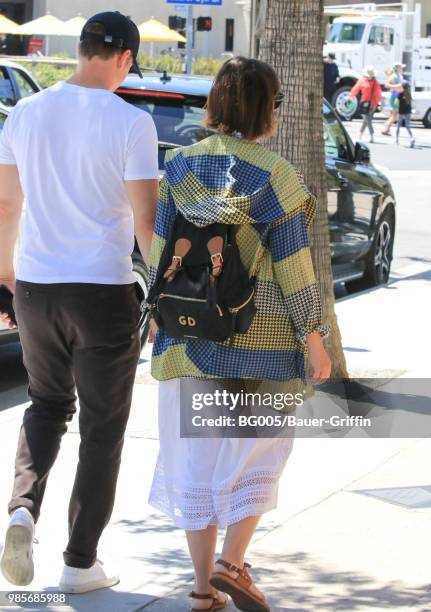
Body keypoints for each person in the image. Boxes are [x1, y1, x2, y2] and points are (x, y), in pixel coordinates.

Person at [146, 57, 331, 612]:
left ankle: (204, 591)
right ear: (264, 111)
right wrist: (314, 336)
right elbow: (295, 268)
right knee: (257, 456)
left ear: (217, 106)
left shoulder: (178, 168)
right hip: (264, 346)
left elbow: (158, 255)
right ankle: (233, 561)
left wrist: (161, 314)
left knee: (195, 465)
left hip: (188, 342)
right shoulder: (276, 176)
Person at [0, 12, 159, 593]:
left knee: (45, 405)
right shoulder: (131, 122)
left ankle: (22, 509)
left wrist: (6, 275)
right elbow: (146, 219)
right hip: (101, 293)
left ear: (83, 49)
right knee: (102, 428)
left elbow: (6, 206)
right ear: (122, 57)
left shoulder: (25, 112)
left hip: (36, 287)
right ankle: (78, 562)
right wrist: (163, 292)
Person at [348, 66, 382, 143]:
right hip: (364, 103)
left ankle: (371, 135)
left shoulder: (375, 83)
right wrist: (350, 96)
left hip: (372, 104)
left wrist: (376, 103)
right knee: (366, 120)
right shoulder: (362, 80)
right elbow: (355, 89)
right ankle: (361, 134)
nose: (368, 76)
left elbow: (378, 94)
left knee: (368, 120)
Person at [382, 62, 405, 136]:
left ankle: (386, 129)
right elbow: (387, 85)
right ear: (398, 68)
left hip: (397, 97)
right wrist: (397, 85)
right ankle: (386, 127)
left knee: (394, 114)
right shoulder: (394, 76)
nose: (402, 69)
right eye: (401, 67)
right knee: (395, 115)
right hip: (395, 97)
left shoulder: (398, 75)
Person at [396, 80, 415, 148]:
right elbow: (411, 103)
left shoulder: (400, 94)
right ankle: (411, 137)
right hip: (408, 112)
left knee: (398, 125)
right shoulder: (409, 94)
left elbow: (396, 102)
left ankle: (397, 139)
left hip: (401, 112)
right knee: (408, 126)